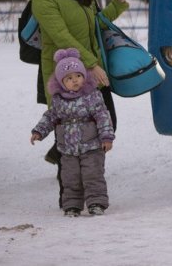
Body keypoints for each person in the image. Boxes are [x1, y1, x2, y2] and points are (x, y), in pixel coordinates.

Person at [29, 0, 128, 167]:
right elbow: (63, 37)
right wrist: (92, 64)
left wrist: (117, 5)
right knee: (70, 132)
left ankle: (89, 180)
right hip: (66, 76)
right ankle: (71, 191)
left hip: (91, 71)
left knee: (105, 123)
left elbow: (96, 23)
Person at [30, 48, 114, 216]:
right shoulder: (58, 100)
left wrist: (106, 137)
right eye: (69, 78)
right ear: (61, 82)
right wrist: (39, 131)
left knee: (93, 175)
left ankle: (96, 202)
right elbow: (50, 116)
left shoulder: (92, 96)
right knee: (70, 177)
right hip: (67, 148)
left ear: (84, 76)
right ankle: (72, 205)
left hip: (91, 145)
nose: (75, 81)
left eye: (78, 76)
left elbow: (103, 116)